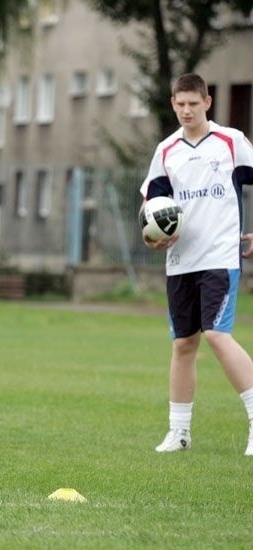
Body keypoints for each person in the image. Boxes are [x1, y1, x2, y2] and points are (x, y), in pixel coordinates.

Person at [140, 73, 253, 455]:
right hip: (180, 262)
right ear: (172, 103)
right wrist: (151, 235)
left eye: (193, 103)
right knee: (184, 344)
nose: (186, 110)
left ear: (207, 102)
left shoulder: (230, 142)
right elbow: (150, 206)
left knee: (217, 335)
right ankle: (179, 432)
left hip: (220, 256)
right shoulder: (167, 150)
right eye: (180, 103)